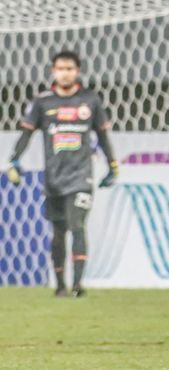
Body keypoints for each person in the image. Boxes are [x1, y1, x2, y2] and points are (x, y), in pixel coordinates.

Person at [5, 50, 118, 298]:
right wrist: (13, 160)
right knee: (58, 232)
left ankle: (78, 285)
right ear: (53, 71)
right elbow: (26, 134)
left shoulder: (90, 100)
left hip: (82, 176)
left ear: (77, 71)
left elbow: (102, 136)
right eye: (60, 68)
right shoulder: (43, 102)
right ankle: (59, 286)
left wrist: (112, 166)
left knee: (77, 225)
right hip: (54, 179)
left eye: (69, 68)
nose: (65, 73)